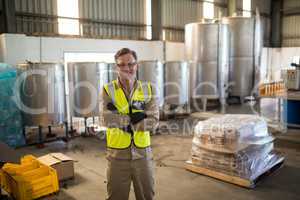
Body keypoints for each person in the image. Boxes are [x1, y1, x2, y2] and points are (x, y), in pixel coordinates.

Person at [100, 48, 159, 200]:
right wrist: (135, 118)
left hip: (143, 156)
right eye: (122, 65)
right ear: (116, 67)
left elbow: (153, 122)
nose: (127, 68)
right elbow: (106, 119)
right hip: (116, 157)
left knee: (147, 197)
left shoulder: (149, 89)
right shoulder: (108, 90)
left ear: (136, 65)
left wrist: (120, 119)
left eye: (131, 64)